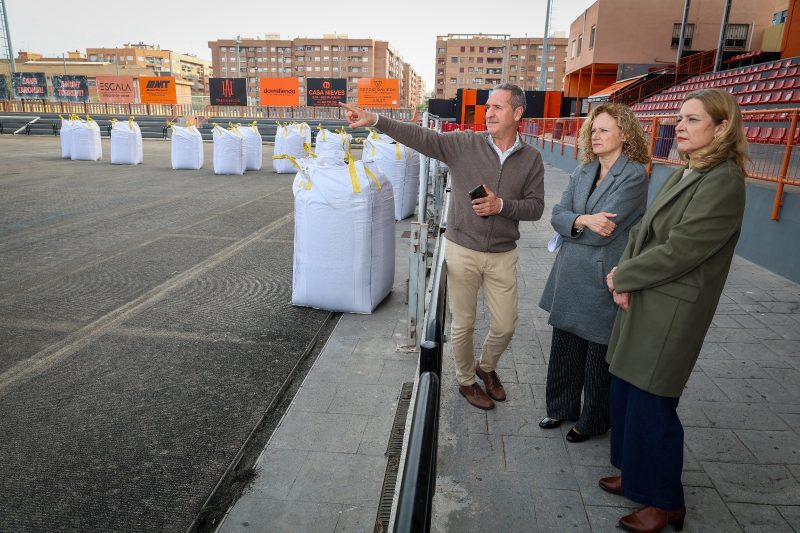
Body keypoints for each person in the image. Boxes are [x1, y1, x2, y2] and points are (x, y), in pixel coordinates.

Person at [341, 84, 545, 410]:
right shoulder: (464, 143)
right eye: (487, 107)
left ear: (517, 113)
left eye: (497, 107)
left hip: (503, 254)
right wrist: (375, 119)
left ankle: (486, 367)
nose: (489, 113)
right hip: (462, 248)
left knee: (506, 324)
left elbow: (535, 208)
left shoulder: (532, 158)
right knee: (463, 323)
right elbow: (421, 137)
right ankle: (466, 381)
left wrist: (501, 206)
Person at [602, 88, 747, 532]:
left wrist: (623, 277)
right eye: (679, 119)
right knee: (627, 392)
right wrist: (625, 271)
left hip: (671, 308)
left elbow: (682, 250)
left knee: (653, 404)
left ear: (722, 128)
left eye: (692, 120)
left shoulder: (723, 180)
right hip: (646, 294)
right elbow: (645, 228)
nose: (679, 127)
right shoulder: (690, 169)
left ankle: (664, 502)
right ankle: (637, 477)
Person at [538, 103, 650, 443]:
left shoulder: (633, 176)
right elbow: (557, 214)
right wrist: (583, 219)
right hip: (571, 271)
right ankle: (560, 407)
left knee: (597, 355)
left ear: (625, 134)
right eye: (593, 129)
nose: (595, 135)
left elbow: (608, 229)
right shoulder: (584, 170)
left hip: (602, 275)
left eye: (604, 129)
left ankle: (593, 419)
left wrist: (575, 222)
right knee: (565, 345)